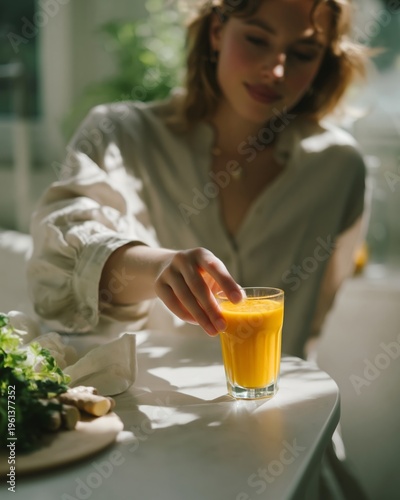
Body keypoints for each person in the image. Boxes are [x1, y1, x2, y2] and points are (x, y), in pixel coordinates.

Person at [27, 0, 368, 360]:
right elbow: (58, 268)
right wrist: (157, 267)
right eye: (256, 39)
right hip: (148, 408)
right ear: (217, 31)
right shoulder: (119, 135)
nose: (276, 70)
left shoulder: (338, 167)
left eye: (302, 53)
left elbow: (313, 317)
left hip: (280, 407)